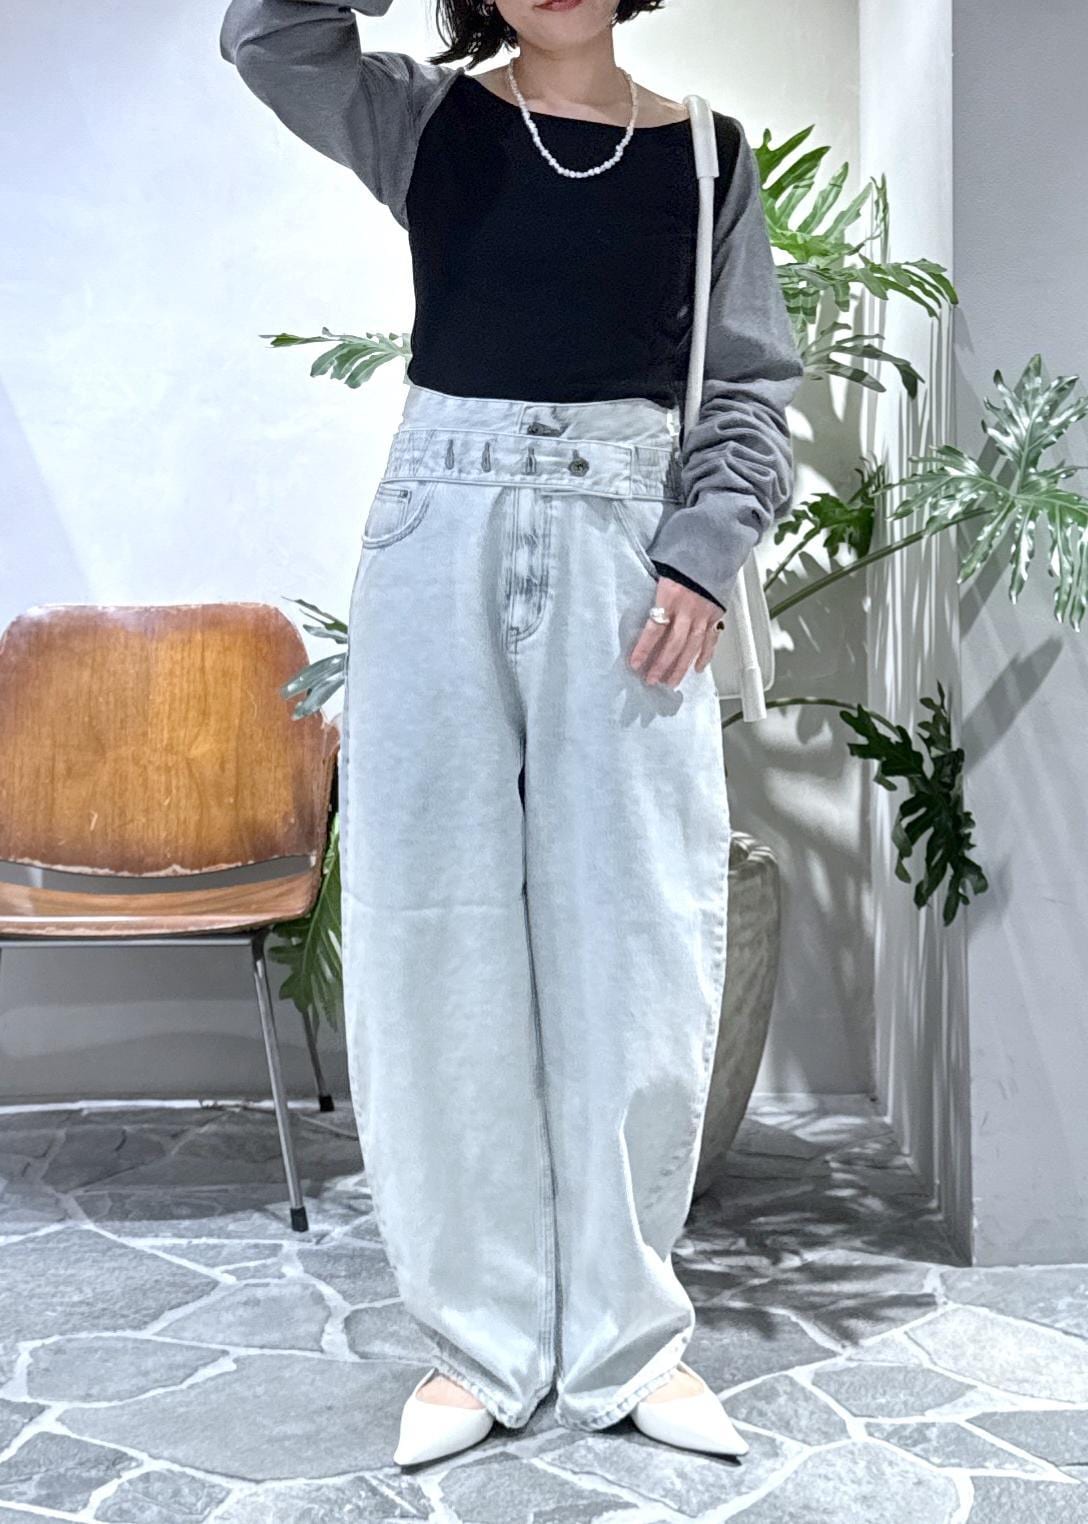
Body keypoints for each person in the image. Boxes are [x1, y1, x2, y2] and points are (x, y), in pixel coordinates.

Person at [220, 0, 803, 1469]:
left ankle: (628, 1338)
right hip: (440, 539)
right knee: (437, 931)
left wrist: (702, 555)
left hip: (630, 561)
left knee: (639, 934)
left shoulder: (708, 158)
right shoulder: (424, 120)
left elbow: (748, 388)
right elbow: (267, 37)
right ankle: (475, 1339)